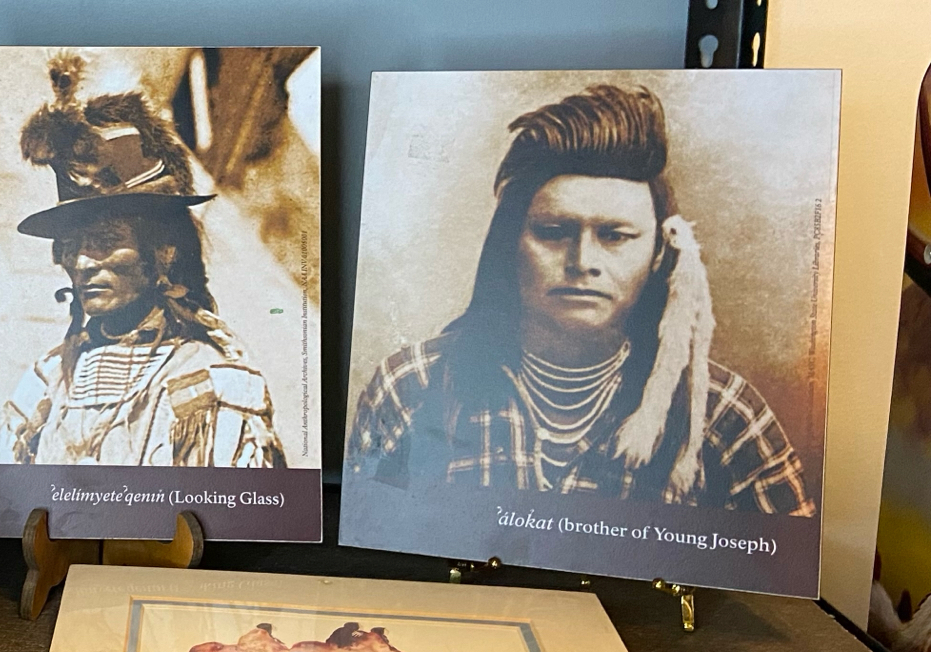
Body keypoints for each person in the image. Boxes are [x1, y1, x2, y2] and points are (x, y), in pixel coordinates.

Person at [347, 84, 814, 515]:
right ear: (511, 244)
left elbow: (776, 571)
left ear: (659, 254)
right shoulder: (412, 385)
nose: (583, 261)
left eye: (615, 236)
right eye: (553, 232)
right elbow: (368, 552)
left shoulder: (720, 410)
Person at [0, 55, 286, 468]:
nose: (84, 261)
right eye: (73, 244)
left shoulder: (211, 388)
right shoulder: (47, 383)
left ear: (163, 252)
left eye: (105, 240)